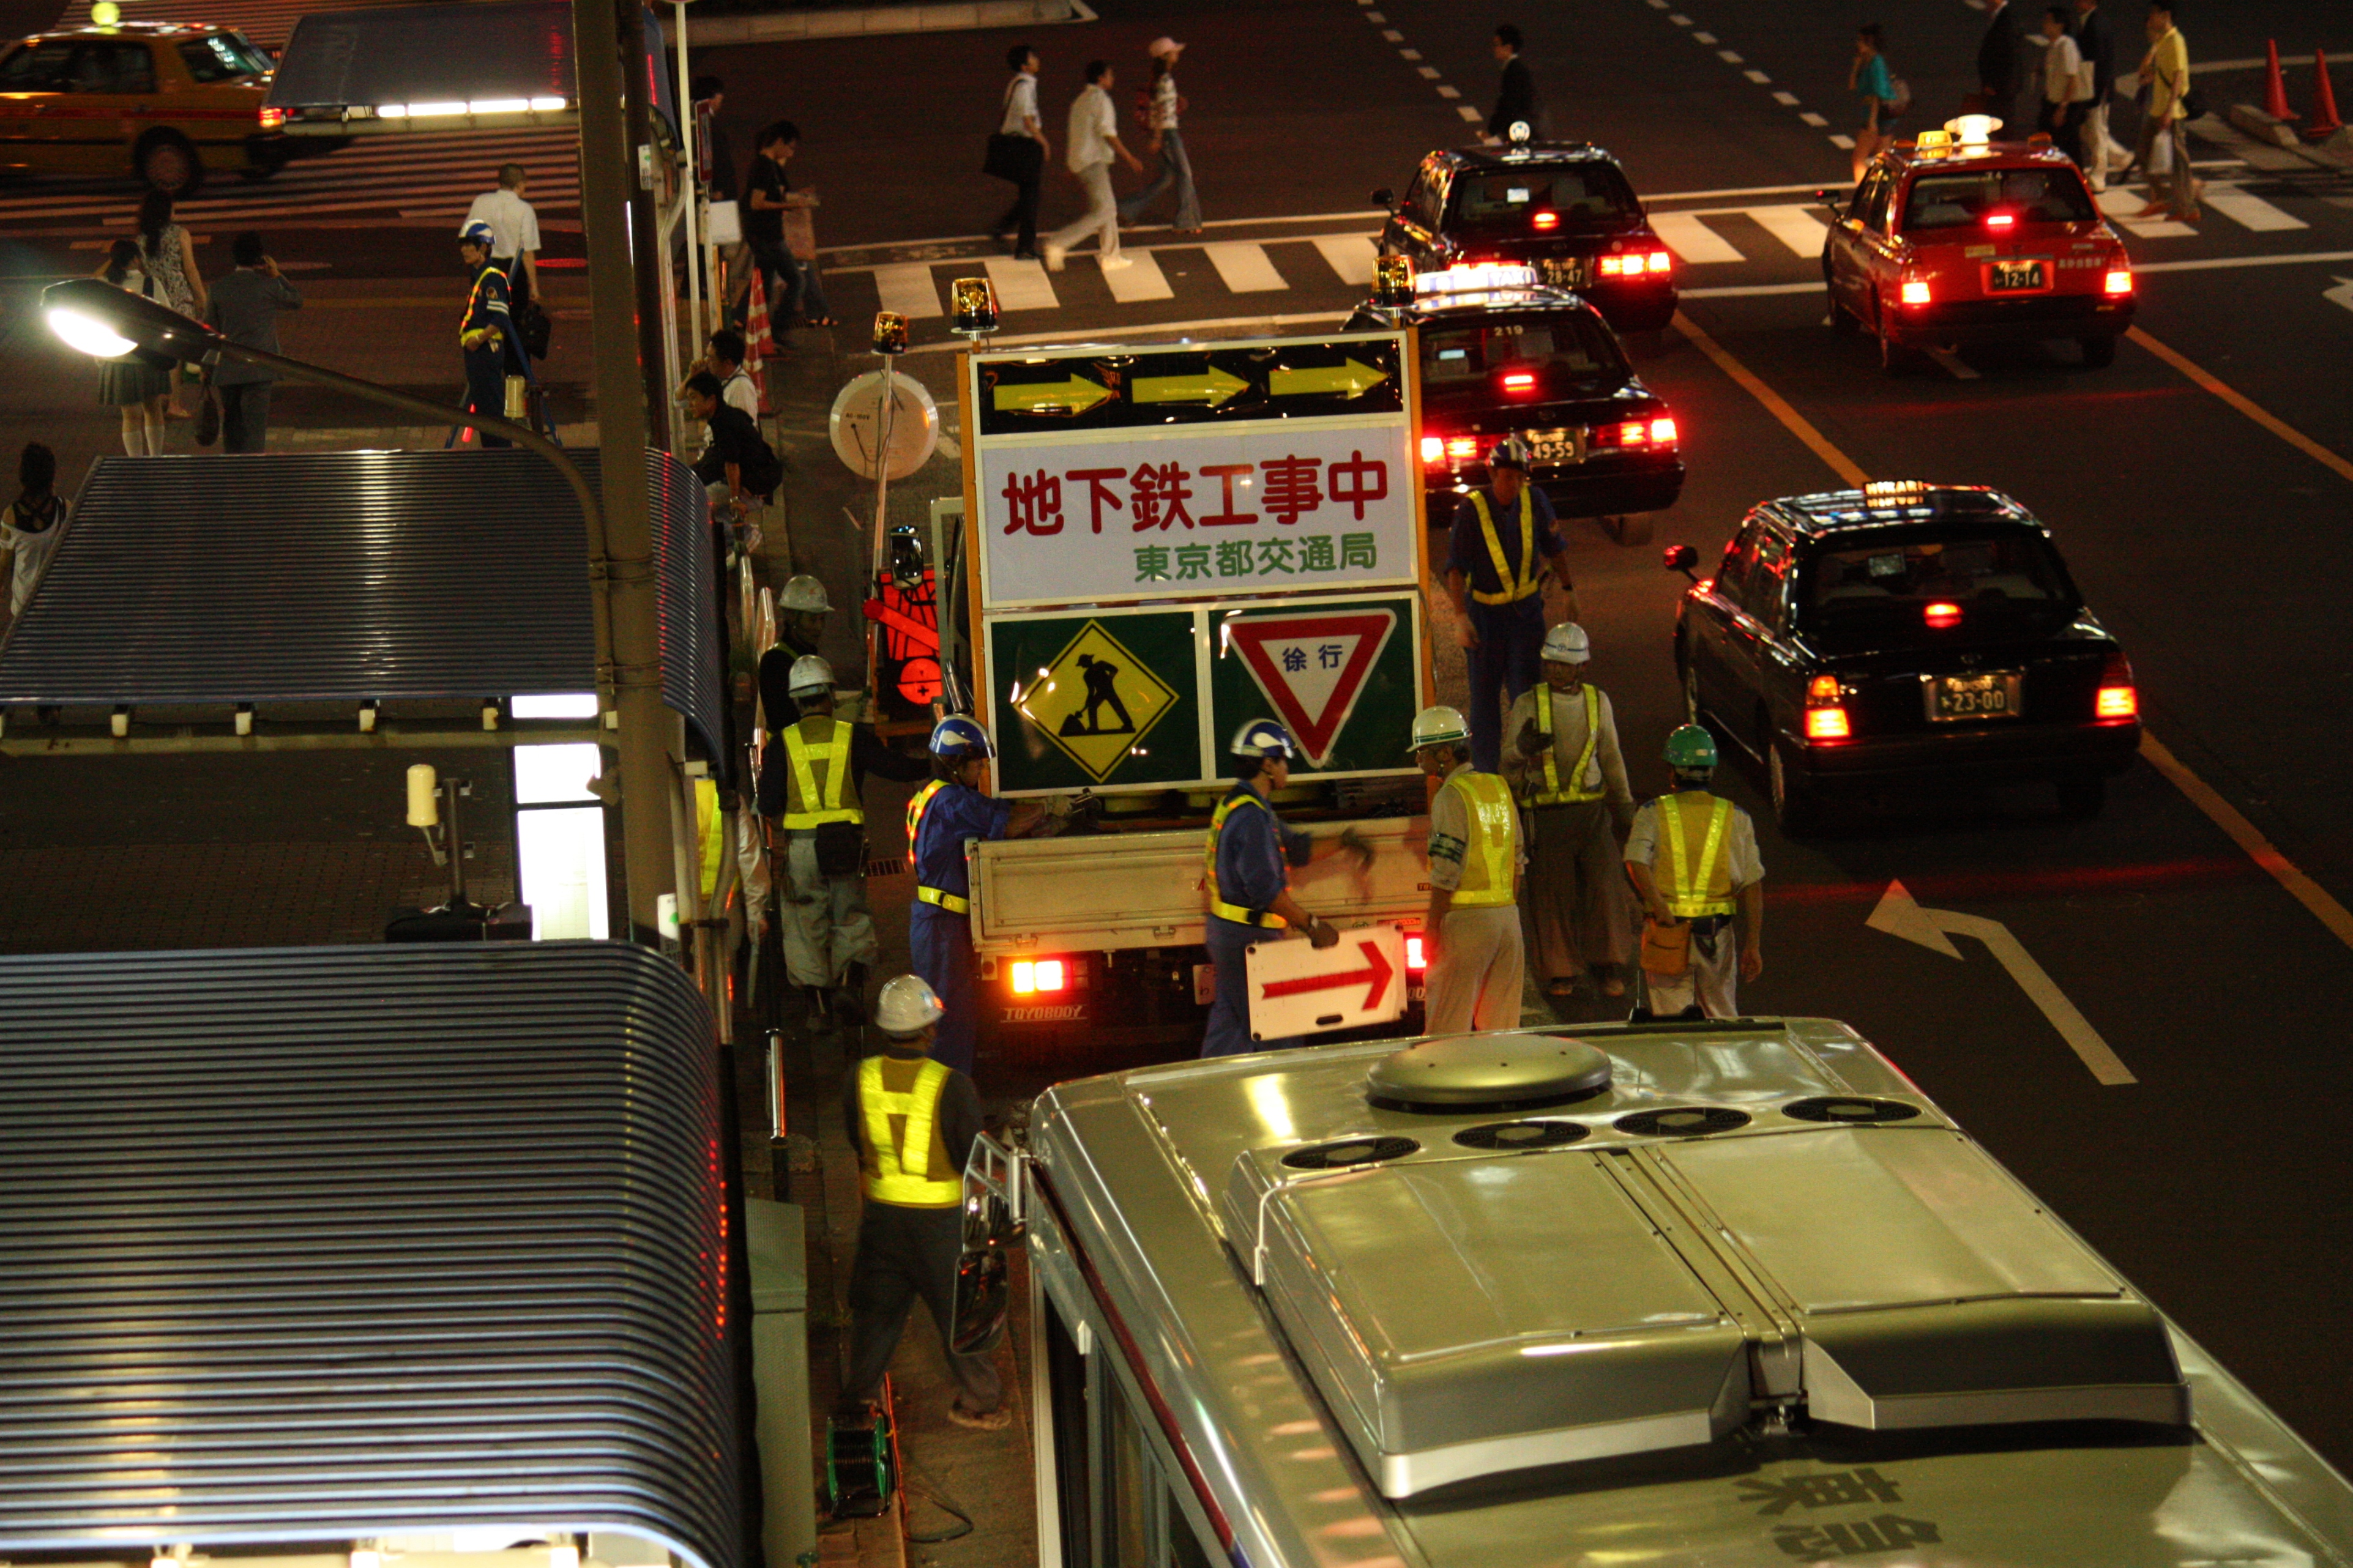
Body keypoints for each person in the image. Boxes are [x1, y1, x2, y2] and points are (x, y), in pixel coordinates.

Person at [836, 974, 1010, 1433]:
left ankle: (858, 1401)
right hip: (939, 1223)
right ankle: (981, 1401)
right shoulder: (951, 1084)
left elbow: (856, 1137)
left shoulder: (861, 1075)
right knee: (961, 1313)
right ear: (929, 1028)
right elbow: (969, 1155)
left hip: (882, 1219)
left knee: (876, 1313)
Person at [755, 654, 930, 1028]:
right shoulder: (853, 737)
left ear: (795, 699)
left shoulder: (782, 745)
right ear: (831, 694)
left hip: (801, 848)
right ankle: (850, 985)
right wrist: (934, 764)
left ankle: (818, 1008)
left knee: (804, 925)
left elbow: (768, 803)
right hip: (845, 845)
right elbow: (895, 769)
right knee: (849, 915)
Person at [1201, 719, 1367, 1058]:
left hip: (1231, 934)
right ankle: (1286, 1099)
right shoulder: (1250, 817)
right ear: (1267, 763)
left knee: (1232, 1025)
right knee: (1280, 1028)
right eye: (1283, 760)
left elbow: (1295, 849)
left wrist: (1344, 842)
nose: (1287, 769)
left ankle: (1207, 1093)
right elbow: (1265, 891)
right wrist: (1312, 926)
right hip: (1247, 939)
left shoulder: (1243, 805)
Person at [1501, 624, 1637, 1000]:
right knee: (1550, 894)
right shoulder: (1528, 704)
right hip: (1545, 815)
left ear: (1582, 667)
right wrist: (1520, 751)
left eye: (1566, 664)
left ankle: (1609, 964)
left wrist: (1624, 807)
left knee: (1606, 887)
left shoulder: (1598, 703)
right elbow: (1506, 767)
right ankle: (1561, 972)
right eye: (1552, 663)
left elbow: (1611, 758)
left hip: (1591, 812)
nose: (1557, 670)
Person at [906, 716, 1045, 1077]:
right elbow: (1008, 823)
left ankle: (949, 1095)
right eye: (978, 762)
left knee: (947, 1013)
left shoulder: (931, 794)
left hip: (935, 922)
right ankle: (948, 1103)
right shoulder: (953, 801)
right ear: (955, 762)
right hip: (942, 926)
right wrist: (1049, 807)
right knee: (949, 1016)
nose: (982, 769)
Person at [1444, 437, 1582, 775]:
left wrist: (1569, 590)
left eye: (1521, 478)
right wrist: (1461, 618)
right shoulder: (1471, 510)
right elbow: (1455, 569)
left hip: (1525, 616)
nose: (1515, 484)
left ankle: (1533, 771)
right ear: (1492, 473)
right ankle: (1489, 775)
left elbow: (1555, 547)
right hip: (1485, 619)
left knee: (1529, 696)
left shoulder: (1535, 502)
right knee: (1485, 700)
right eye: (1508, 477)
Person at [1624, 725, 1765, 1020]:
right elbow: (1753, 885)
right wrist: (1753, 944)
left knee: (1670, 1020)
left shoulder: (1651, 812)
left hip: (1667, 933)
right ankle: (1725, 1066)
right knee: (1721, 1017)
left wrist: (1660, 906)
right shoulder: (1736, 817)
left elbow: (1636, 861)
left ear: (1672, 771)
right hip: (1715, 937)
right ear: (1711, 771)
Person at [1413, 705, 1524, 1035]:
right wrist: (1507, 909)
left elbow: (1446, 871)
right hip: (1508, 920)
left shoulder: (1450, 795)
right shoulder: (1499, 788)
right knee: (1501, 1031)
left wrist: (1432, 930)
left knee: (1447, 1030)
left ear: (1446, 753)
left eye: (1423, 753)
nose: (1419, 761)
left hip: (1466, 925)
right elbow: (1519, 861)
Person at [204, 232, 302, 455]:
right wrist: (277, 275)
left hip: (228, 369)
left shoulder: (218, 289)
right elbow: (296, 300)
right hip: (260, 368)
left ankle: (233, 473)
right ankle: (255, 474)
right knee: (256, 430)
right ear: (259, 258)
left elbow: (209, 330)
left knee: (232, 428)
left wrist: (207, 368)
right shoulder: (267, 286)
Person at [1041, 61, 1142, 274]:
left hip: (1082, 162)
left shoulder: (1081, 101)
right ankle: (1059, 242)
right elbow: (1108, 133)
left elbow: (1077, 134)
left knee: (1109, 209)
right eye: (1110, 76)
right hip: (1093, 162)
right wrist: (1129, 157)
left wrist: (1072, 164)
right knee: (1104, 210)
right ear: (1101, 79)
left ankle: (1111, 256)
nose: (1112, 79)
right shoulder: (1100, 100)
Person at [745, 121, 836, 329]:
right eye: (790, 148)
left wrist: (796, 199)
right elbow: (756, 202)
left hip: (769, 235)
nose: (791, 154)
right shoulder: (763, 166)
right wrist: (788, 205)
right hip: (766, 236)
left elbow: (779, 193)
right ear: (779, 142)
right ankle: (776, 329)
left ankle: (765, 330)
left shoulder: (773, 166)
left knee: (767, 286)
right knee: (795, 280)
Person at [93, 240, 170, 456]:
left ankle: (135, 463)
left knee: (129, 415)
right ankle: (156, 458)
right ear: (136, 259)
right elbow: (167, 315)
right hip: (148, 356)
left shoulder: (103, 284)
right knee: (153, 409)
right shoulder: (151, 283)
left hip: (115, 357)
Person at [1117, 37, 1201, 233]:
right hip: (1167, 134)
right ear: (1165, 56)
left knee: (1166, 179)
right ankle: (1186, 221)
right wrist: (1157, 137)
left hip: (1164, 133)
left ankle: (1127, 209)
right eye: (1173, 51)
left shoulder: (1159, 79)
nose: (1177, 53)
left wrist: (1178, 101)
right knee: (1185, 174)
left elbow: (1159, 106)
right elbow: (1161, 111)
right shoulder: (1164, 79)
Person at [134, 190, 204, 418]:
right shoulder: (179, 234)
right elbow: (190, 269)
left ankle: (161, 399)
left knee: (159, 351)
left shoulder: (142, 238)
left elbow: (144, 270)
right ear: (166, 211)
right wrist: (201, 297)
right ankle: (174, 403)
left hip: (155, 297)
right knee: (177, 354)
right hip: (179, 297)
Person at [692, 76, 755, 321]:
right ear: (712, 97)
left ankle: (718, 290)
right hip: (719, 198)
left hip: (719, 196)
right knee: (721, 247)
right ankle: (720, 293)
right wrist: (718, 189)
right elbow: (717, 161)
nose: (722, 102)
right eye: (719, 98)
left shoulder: (702, 122)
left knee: (719, 247)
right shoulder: (706, 124)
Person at [457, 221, 522, 449]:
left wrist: (478, 339)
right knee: (484, 409)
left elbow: (500, 317)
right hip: (478, 351)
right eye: (462, 245)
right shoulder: (479, 276)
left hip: (485, 350)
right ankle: (493, 454)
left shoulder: (492, 278)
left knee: (491, 408)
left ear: (484, 247)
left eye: (469, 244)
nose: (464, 249)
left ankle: (500, 456)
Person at [2134, 2, 2199, 221]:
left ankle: (2188, 209)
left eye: (2154, 15)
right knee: (2143, 154)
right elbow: (2155, 71)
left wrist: (2169, 112)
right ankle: (2164, 197)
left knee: (2179, 164)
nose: (2150, 19)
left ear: (2166, 15)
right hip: (2158, 109)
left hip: (2172, 113)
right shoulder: (2163, 41)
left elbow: (2179, 77)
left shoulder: (2176, 42)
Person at [682, 371, 781, 511]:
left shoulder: (724, 424)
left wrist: (735, 500)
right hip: (754, 485)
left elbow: (732, 463)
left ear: (711, 400)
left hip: (752, 491)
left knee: (695, 498)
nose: (690, 405)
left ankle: (742, 531)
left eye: (694, 398)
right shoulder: (726, 416)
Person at [990, 45, 1050, 260]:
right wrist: (1043, 142)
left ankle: (1004, 227)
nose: (1037, 59)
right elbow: (1027, 119)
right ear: (1026, 66)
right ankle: (1024, 246)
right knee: (1031, 197)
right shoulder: (1024, 87)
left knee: (1029, 195)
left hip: (1018, 144)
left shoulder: (1018, 83)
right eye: (1033, 57)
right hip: (1024, 146)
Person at [461, 163, 541, 315]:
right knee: (514, 317)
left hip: (485, 267)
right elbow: (527, 252)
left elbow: (468, 237)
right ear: (520, 184)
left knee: (485, 316)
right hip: (514, 271)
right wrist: (534, 287)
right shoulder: (524, 210)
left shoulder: (481, 202)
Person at [758, 574, 833, 732]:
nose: (820, 627)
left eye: (822, 619)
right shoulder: (775, 663)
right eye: (812, 620)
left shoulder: (805, 654)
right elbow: (783, 721)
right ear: (792, 617)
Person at [2, 442, 65, 621]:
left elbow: (4, 562)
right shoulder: (64, 508)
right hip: (57, 598)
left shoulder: (11, 515)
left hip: (25, 600)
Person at [2075, 0, 2119, 190]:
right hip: (2096, 87)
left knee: (2096, 131)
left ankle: (2098, 177)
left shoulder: (2095, 24)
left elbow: (2099, 63)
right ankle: (2122, 159)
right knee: (2092, 130)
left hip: (2096, 88)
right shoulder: (2094, 21)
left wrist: (2096, 93)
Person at [1848, 25, 1901, 181]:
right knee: (1884, 159)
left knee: (1859, 159)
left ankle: (1864, 197)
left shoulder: (1876, 63)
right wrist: (1857, 65)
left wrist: (1872, 122)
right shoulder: (1869, 62)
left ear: (1869, 42)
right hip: (1881, 116)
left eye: (1860, 40)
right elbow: (1853, 86)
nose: (1857, 44)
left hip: (1878, 115)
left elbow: (1879, 95)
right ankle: (1888, 192)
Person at [2038, 7, 2087, 163]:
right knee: (2053, 145)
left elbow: (2073, 78)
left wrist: (2063, 108)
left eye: (2048, 21)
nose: (2045, 25)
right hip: (2052, 102)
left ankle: (2074, 181)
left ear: (2060, 25)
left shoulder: (2066, 45)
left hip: (2065, 106)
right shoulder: (2054, 45)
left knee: (2068, 148)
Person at [1485, 23, 1537, 144]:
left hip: (1519, 130)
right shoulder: (1516, 68)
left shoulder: (1513, 70)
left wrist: (1493, 130)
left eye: (1497, 45)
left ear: (1508, 48)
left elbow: (1508, 103)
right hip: (1524, 126)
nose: (1495, 49)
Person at [1976, 0, 2020, 136]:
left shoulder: (2006, 18)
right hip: (2001, 85)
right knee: (2000, 127)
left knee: (2002, 127)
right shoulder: (2002, 18)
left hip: (2001, 86)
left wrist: (1993, 83)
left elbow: (2006, 54)